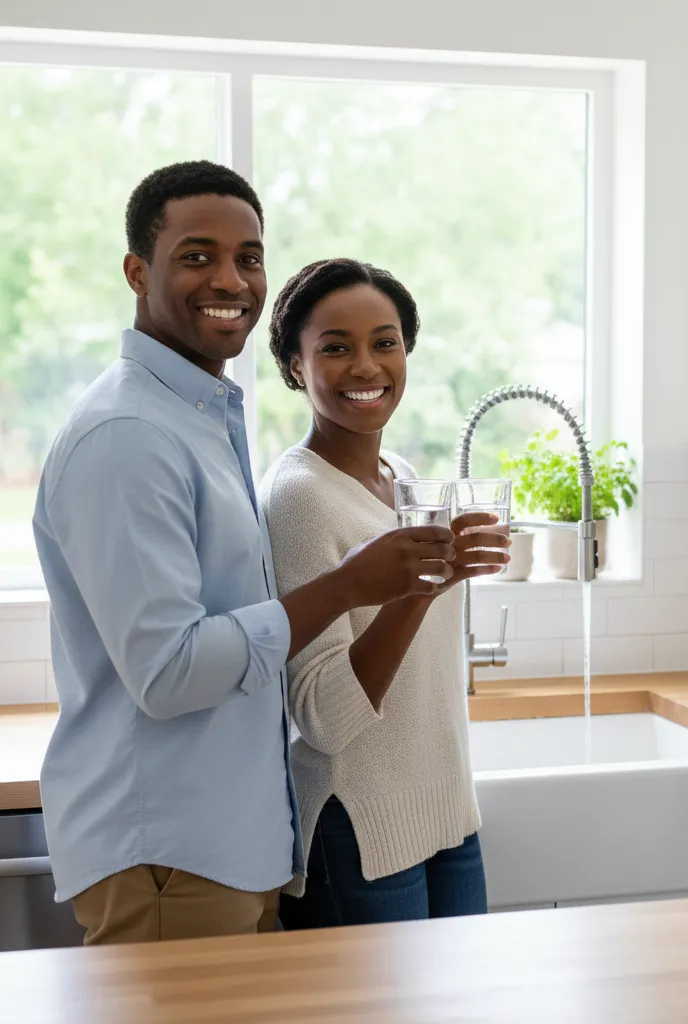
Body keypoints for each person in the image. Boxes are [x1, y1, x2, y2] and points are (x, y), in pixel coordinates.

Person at [31, 162, 457, 946]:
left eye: (248, 257)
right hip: (168, 852)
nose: (230, 278)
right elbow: (169, 673)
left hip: (222, 845)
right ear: (137, 271)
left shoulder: (198, 416)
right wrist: (349, 585)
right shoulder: (129, 436)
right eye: (197, 255)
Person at [259, 258, 509, 927]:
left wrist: (447, 572)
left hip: (447, 812)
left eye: (385, 342)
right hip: (360, 830)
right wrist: (417, 592)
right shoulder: (299, 498)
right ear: (293, 366)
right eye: (335, 348)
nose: (367, 366)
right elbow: (323, 719)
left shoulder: (403, 478)